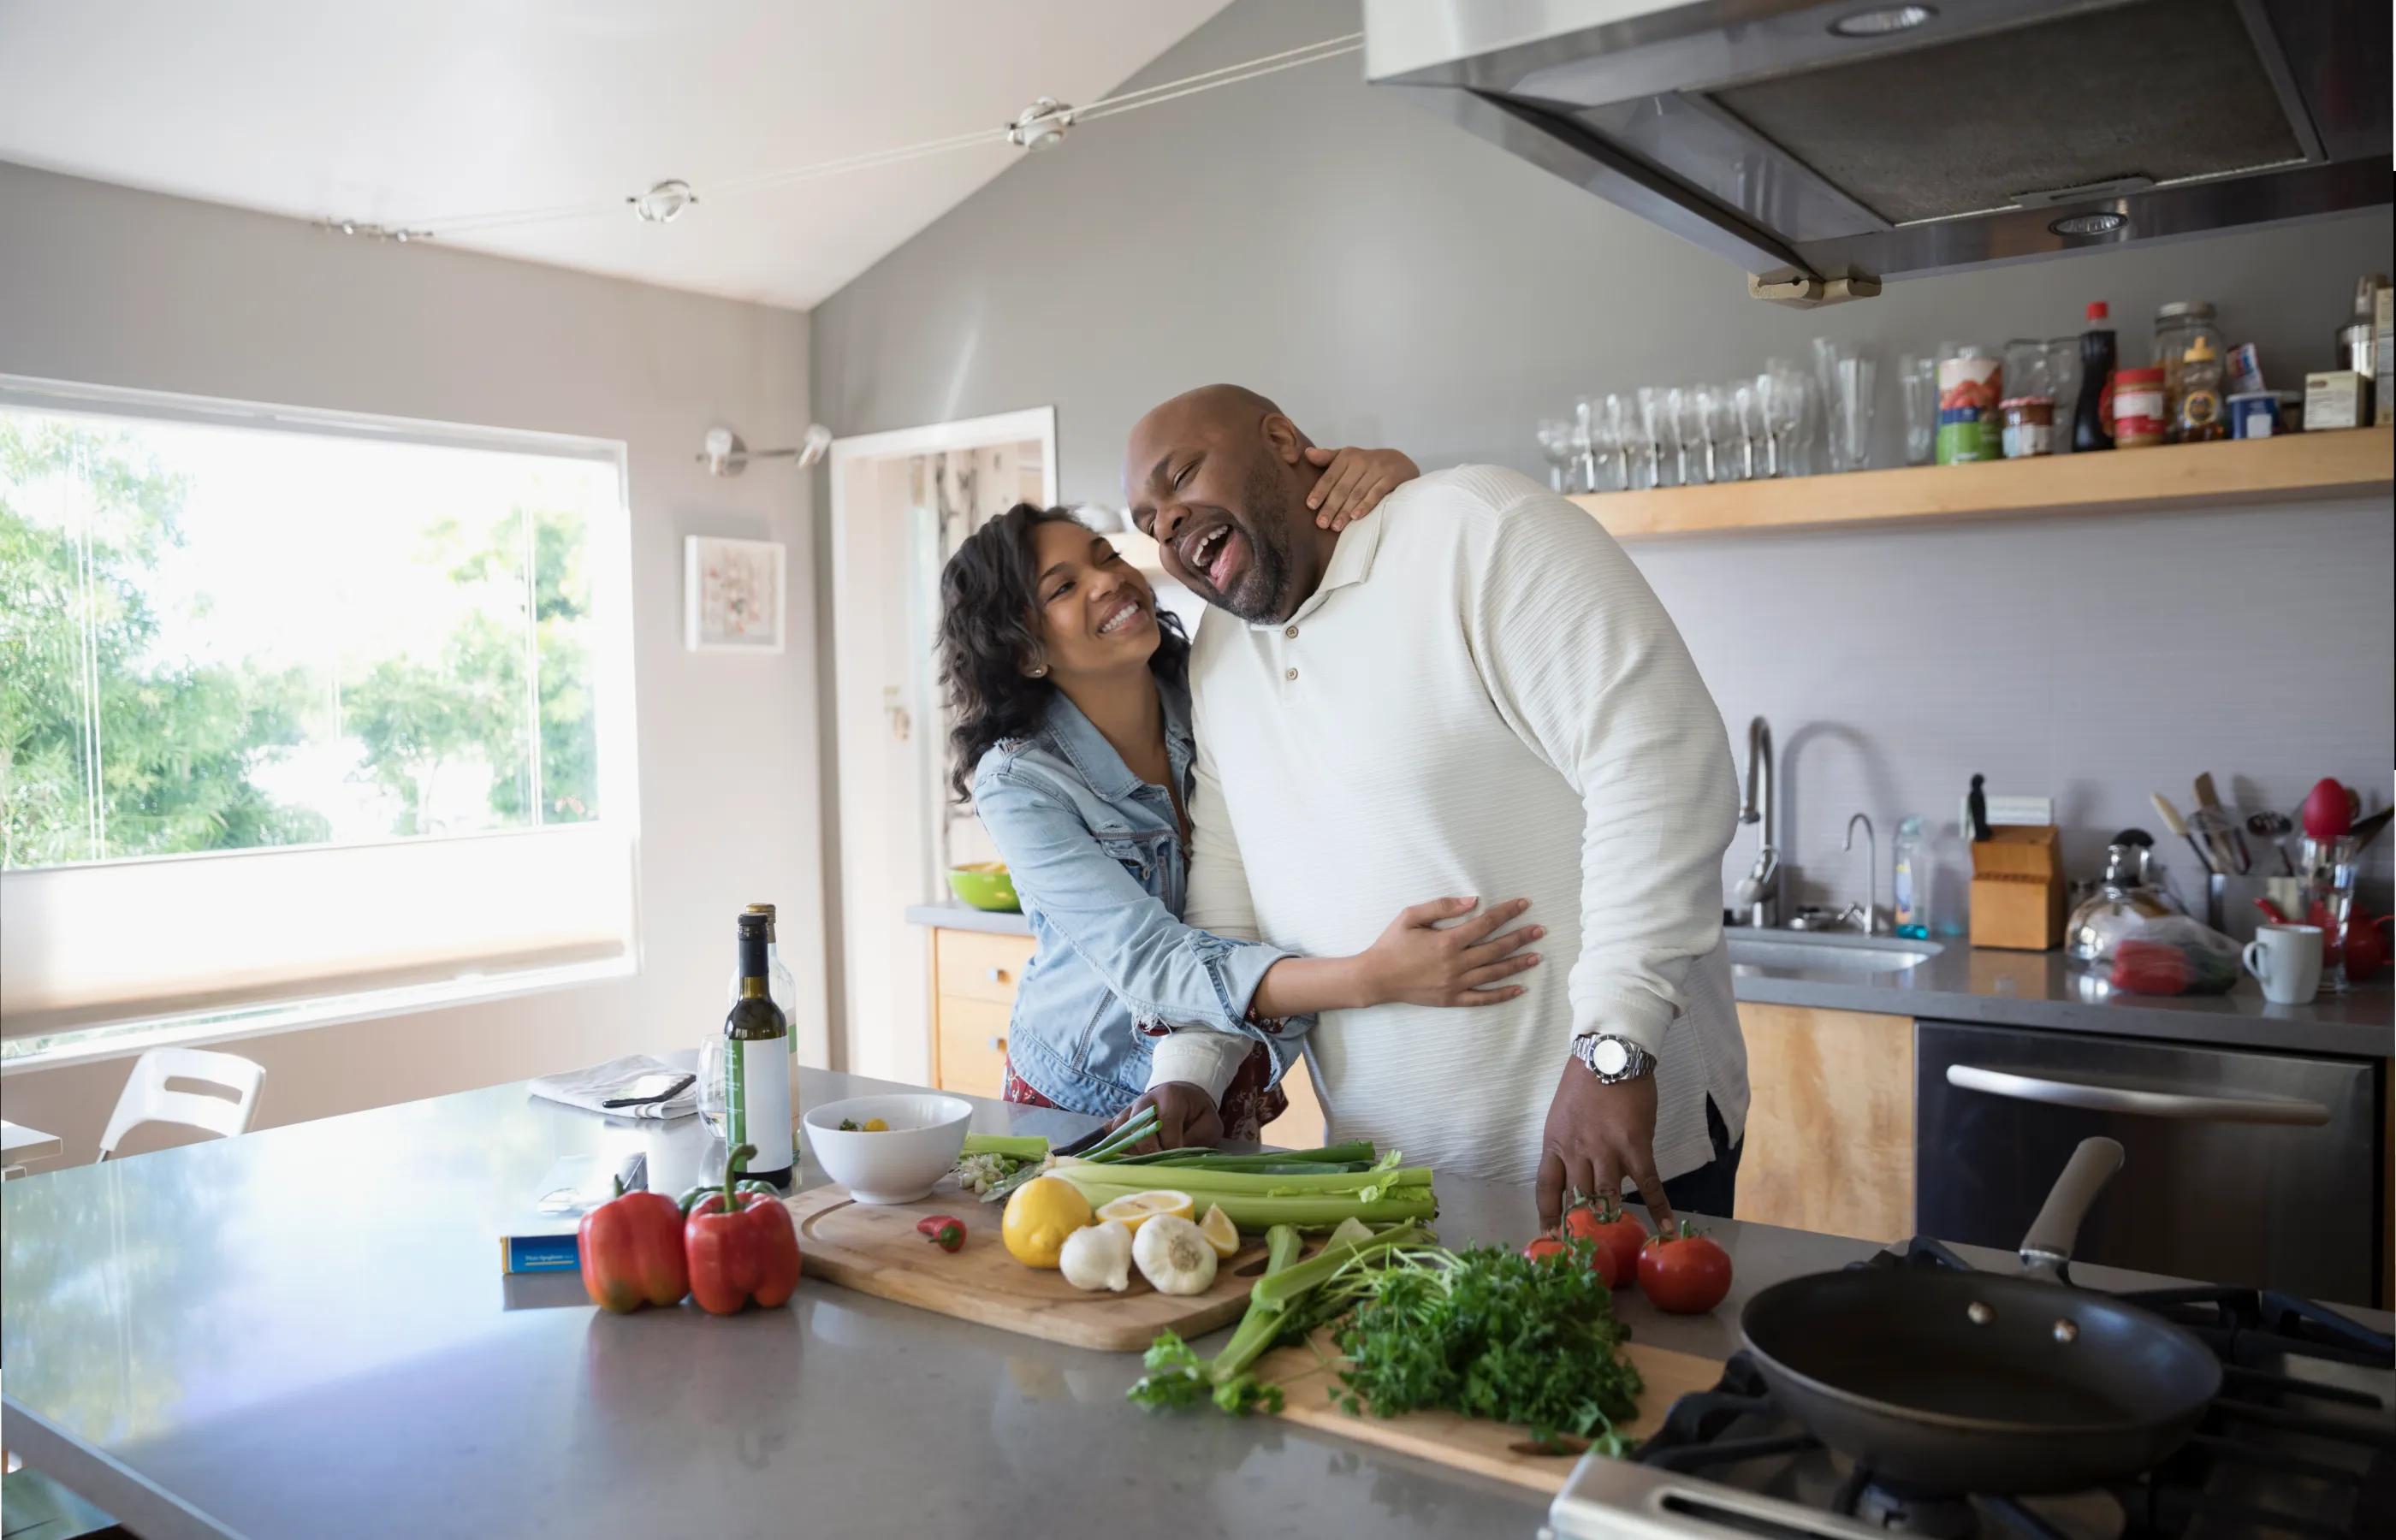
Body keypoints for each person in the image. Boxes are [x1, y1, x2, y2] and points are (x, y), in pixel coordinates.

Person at [1124, 386, 1748, 1232]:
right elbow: (1230, 900)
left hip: (1610, 1143)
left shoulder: (1480, 532)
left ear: (1281, 438)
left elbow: (1663, 774)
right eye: (1147, 519)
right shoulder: (1221, 654)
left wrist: (1613, 1051)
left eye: (1181, 476)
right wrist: (1193, 1069)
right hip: (1386, 1180)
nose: (1165, 524)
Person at [936, 446, 1545, 1146]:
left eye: (1106, 556)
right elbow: (1154, 961)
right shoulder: (1018, 782)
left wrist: (1387, 487)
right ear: (1023, 651)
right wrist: (1370, 978)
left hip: (1222, 1069)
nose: (1107, 582)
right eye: (1062, 588)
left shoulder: (1214, 686)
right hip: (1086, 1093)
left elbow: (1321, 610)